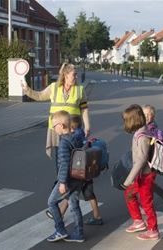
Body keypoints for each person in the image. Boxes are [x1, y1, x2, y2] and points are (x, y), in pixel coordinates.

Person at [21, 63, 90, 160]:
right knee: (60, 157)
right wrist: (27, 90)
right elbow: (40, 96)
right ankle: (61, 175)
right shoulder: (53, 87)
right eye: (74, 74)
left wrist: (87, 126)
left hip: (74, 129)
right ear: (66, 75)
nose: (76, 76)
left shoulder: (80, 90)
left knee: (74, 156)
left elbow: (84, 109)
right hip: (58, 129)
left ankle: (72, 175)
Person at [45, 117, 103, 225]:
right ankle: (91, 219)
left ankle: (61, 223)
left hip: (78, 173)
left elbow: (65, 163)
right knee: (79, 197)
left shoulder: (67, 140)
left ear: (71, 127)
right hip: (84, 171)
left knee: (67, 197)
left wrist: (62, 181)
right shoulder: (80, 137)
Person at [120, 104, 159, 241]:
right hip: (140, 174)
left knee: (146, 202)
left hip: (145, 175)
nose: (125, 123)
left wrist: (129, 179)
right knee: (129, 194)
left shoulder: (142, 136)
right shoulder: (140, 132)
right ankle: (138, 221)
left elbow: (141, 160)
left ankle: (153, 230)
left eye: (126, 120)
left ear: (133, 120)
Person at [46, 110, 85, 243]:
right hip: (78, 177)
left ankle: (60, 230)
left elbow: (64, 164)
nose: (53, 128)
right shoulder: (76, 137)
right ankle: (79, 234)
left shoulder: (63, 142)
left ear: (62, 125)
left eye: (54, 125)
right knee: (74, 205)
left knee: (51, 202)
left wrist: (62, 182)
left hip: (67, 180)